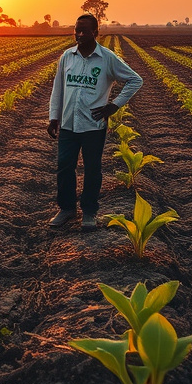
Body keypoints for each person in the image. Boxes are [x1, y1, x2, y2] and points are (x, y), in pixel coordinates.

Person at [47, 14, 143, 231]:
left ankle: (89, 212)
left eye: (84, 31)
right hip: (68, 123)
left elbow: (135, 80)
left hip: (93, 125)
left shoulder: (107, 58)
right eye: (76, 30)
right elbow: (58, 89)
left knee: (92, 169)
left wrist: (114, 105)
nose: (79, 35)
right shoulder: (67, 57)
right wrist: (54, 117)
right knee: (64, 167)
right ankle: (67, 209)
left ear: (95, 33)